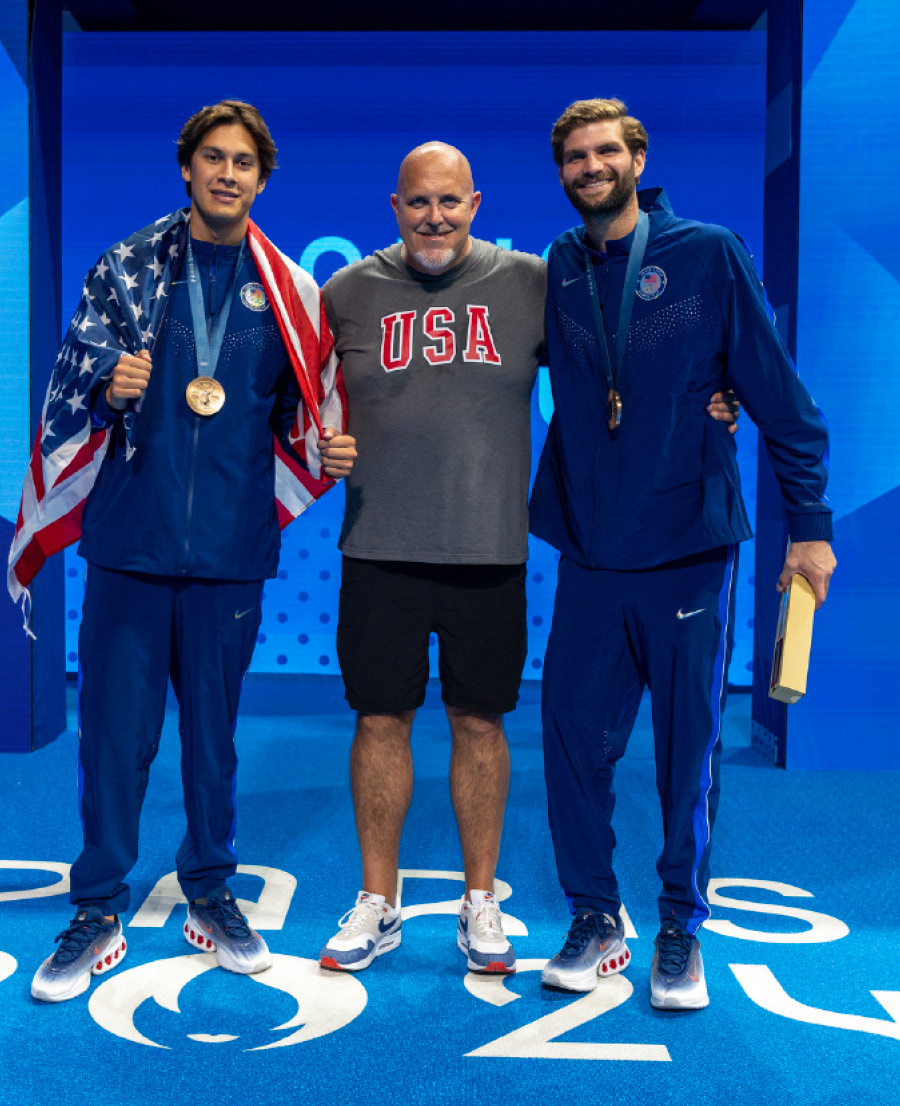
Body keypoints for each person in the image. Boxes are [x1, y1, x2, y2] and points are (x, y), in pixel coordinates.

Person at [316, 141, 736, 976]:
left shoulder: (532, 282)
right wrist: (316, 444)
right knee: (379, 720)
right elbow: (291, 388)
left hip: (489, 549)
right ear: (393, 208)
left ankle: (481, 905)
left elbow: (625, 351)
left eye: (449, 202)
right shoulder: (345, 293)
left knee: (481, 722)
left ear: (476, 203)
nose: (434, 217)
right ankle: (377, 903)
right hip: (378, 548)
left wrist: (707, 400)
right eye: (417, 203)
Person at [15, 100, 356, 1003]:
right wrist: (105, 381)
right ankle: (97, 907)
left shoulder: (286, 291)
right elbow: (66, 380)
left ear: (263, 178)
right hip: (130, 545)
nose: (228, 174)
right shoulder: (125, 271)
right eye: (213, 157)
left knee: (213, 744)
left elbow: (297, 414)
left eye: (245, 162)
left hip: (230, 555)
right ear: (187, 168)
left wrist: (329, 444)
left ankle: (209, 889)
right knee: (115, 740)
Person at [530, 98, 836, 1010]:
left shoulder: (707, 252)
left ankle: (677, 929)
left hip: (688, 551)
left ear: (638, 156)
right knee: (572, 742)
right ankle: (594, 917)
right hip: (590, 549)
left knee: (686, 749)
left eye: (606, 151)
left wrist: (810, 526)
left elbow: (783, 402)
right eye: (575, 157)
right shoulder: (557, 264)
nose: (592, 167)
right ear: (562, 174)